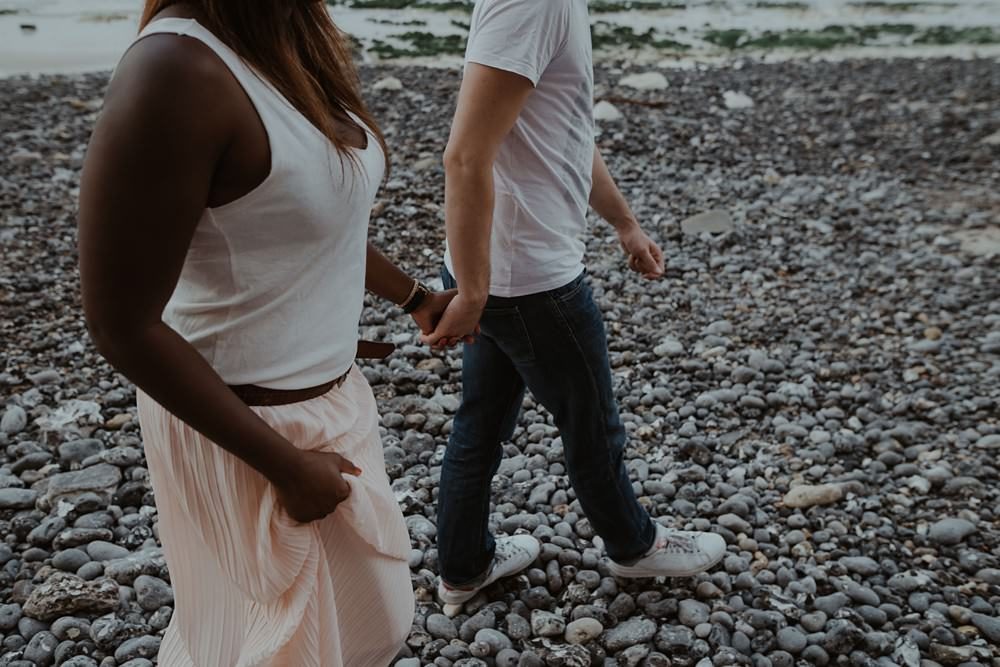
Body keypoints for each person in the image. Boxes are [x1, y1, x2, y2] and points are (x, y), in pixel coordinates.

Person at [77, 1, 451, 664]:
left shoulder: (288, 35)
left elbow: (309, 220)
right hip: (244, 426)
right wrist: (283, 466)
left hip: (331, 405)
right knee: (279, 645)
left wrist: (415, 296)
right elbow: (119, 322)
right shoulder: (176, 68)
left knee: (363, 627)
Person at [424, 0, 727, 605]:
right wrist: (476, 291)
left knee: (480, 426)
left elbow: (562, 131)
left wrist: (624, 222)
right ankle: (635, 547)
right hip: (529, 282)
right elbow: (463, 157)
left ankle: (463, 567)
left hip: (503, 274)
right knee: (591, 425)